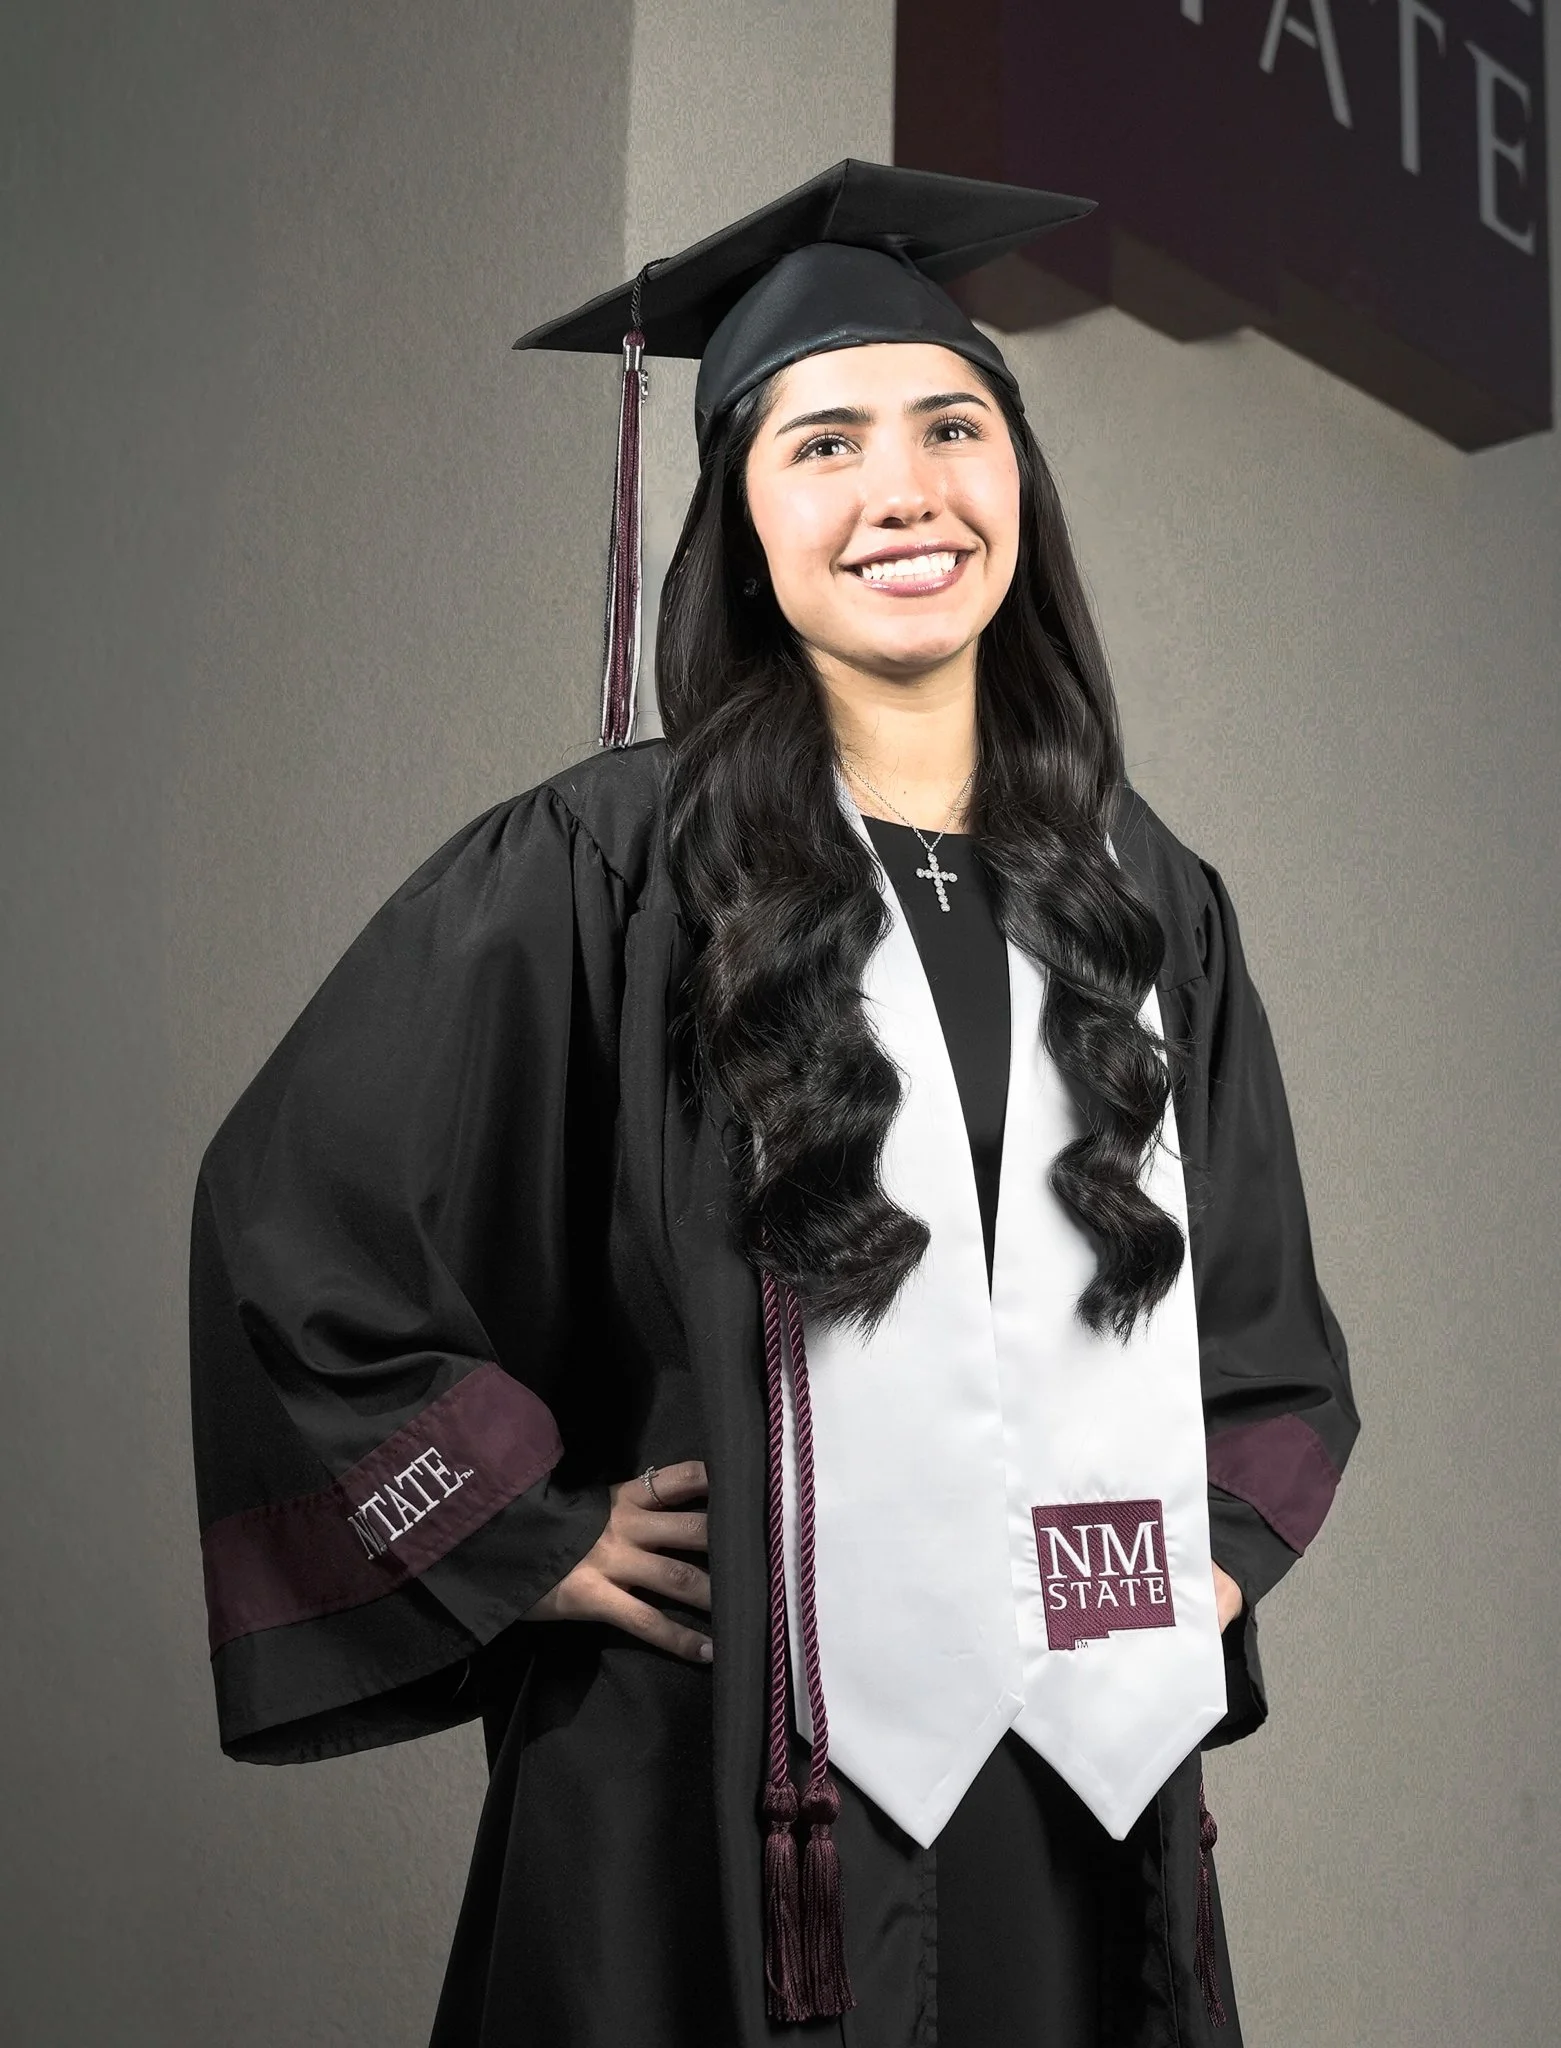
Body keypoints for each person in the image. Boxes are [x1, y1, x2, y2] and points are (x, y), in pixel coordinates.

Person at [188, 160, 1360, 2048]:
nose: (904, 489)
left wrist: (1193, 1559)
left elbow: (1267, 1334)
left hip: (1077, 1793)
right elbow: (292, 1213)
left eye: (954, 428)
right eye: (825, 445)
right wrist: (516, 1523)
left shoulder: (1143, 897)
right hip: (723, 1789)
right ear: (738, 517)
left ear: (1018, 487)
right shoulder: (616, 865)